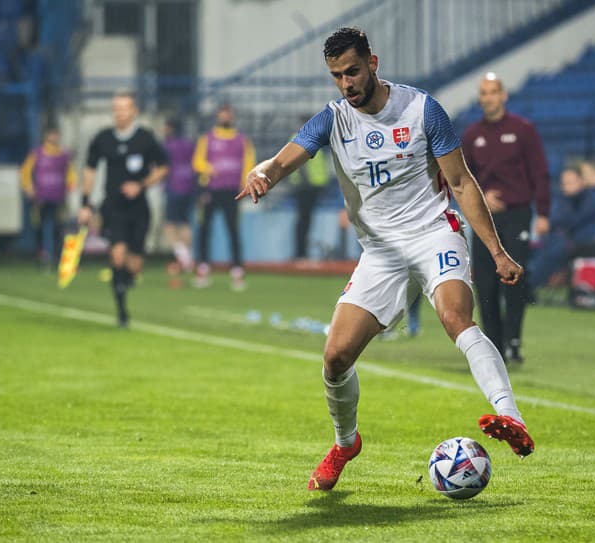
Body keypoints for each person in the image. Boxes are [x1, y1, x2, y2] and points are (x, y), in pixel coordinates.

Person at [236, 27, 534, 492]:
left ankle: (511, 418)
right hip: (381, 252)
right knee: (335, 357)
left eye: (352, 71)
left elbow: (459, 182)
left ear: (372, 63)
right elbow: (284, 159)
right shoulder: (334, 119)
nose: (346, 83)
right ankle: (345, 443)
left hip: (435, 233)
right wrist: (265, 172)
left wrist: (496, 251)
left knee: (455, 317)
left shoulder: (422, 110)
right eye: (336, 76)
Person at [461, 72, 550, 364]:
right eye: (483, 93)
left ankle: (513, 341)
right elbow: (463, 179)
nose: (488, 97)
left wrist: (543, 212)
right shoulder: (472, 135)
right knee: (485, 284)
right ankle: (494, 346)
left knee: (515, 282)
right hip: (484, 219)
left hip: (516, 215)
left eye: (493, 91)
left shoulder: (524, 130)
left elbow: (539, 172)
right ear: (480, 99)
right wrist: (482, 198)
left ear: (503, 95)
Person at [77, 90, 169, 327]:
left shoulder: (145, 138)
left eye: (124, 108)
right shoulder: (103, 138)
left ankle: (124, 279)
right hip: (113, 207)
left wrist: (141, 185)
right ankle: (122, 313)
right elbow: (89, 171)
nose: (119, 113)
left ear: (134, 111)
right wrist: (85, 204)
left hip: (139, 209)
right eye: (116, 108)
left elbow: (163, 168)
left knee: (134, 264)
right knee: (117, 254)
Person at [192, 104, 255, 291]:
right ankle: (203, 268)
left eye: (229, 115)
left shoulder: (242, 141)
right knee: (205, 229)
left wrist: (246, 185)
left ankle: (237, 271)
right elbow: (197, 161)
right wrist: (209, 169)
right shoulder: (207, 139)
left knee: (233, 231)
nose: (226, 118)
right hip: (210, 190)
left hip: (232, 192)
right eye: (223, 114)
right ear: (218, 116)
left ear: (233, 117)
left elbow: (249, 164)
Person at [528, 164, 595, 289]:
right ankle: (521, 284)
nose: (566, 186)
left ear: (581, 181)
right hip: (559, 239)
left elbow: (573, 222)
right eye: (564, 183)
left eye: (570, 182)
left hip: (583, 241)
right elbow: (555, 220)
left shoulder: (589, 199)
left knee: (553, 251)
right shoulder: (563, 199)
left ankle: (528, 286)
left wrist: (552, 225)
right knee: (532, 248)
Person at [19, 124, 77, 268]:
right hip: (42, 197)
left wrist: (71, 185)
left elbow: (71, 174)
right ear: (46, 136)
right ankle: (47, 255)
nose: (54, 137)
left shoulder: (63, 155)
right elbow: (25, 172)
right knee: (45, 225)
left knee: (59, 226)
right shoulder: (37, 153)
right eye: (51, 134)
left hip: (59, 197)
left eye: (56, 134)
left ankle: (57, 256)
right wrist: (28, 187)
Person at [288, 117, 332, 260]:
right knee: (303, 220)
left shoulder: (313, 138)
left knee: (305, 219)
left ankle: (301, 252)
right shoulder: (300, 137)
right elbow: (300, 162)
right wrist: (306, 181)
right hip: (305, 186)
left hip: (313, 186)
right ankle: (300, 253)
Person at [162, 117, 198, 287]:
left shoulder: (167, 146)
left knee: (169, 224)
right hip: (189, 185)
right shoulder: (190, 144)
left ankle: (184, 258)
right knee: (184, 223)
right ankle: (187, 258)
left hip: (173, 186)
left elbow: (162, 167)